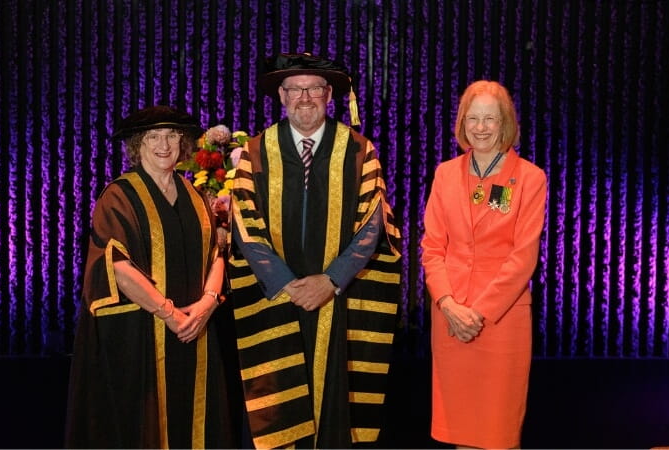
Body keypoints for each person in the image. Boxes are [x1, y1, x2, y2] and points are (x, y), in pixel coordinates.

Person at [228, 52, 402, 448]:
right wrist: (287, 284)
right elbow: (244, 226)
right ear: (281, 96)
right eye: (294, 89)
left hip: (338, 298)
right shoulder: (256, 152)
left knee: (335, 398)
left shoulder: (358, 150)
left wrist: (331, 280)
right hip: (277, 298)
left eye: (313, 89)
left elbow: (372, 224)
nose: (304, 97)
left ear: (329, 95)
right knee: (278, 403)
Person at [64, 105, 238, 448]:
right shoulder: (119, 196)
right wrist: (170, 314)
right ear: (137, 145)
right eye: (154, 137)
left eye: (172, 136)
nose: (164, 145)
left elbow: (217, 255)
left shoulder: (195, 195)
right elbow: (117, 265)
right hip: (140, 335)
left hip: (197, 328)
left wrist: (205, 306)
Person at [421, 80, 547, 449]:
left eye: (490, 119)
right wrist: (448, 304)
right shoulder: (445, 174)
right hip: (450, 318)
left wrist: (477, 313)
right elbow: (432, 247)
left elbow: (522, 257)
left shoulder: (529, 178)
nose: (480, 127)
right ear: (462, 123)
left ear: (505, 123)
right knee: (461, 430)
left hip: (500, 321)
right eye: (473, 118)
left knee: (497, 432)